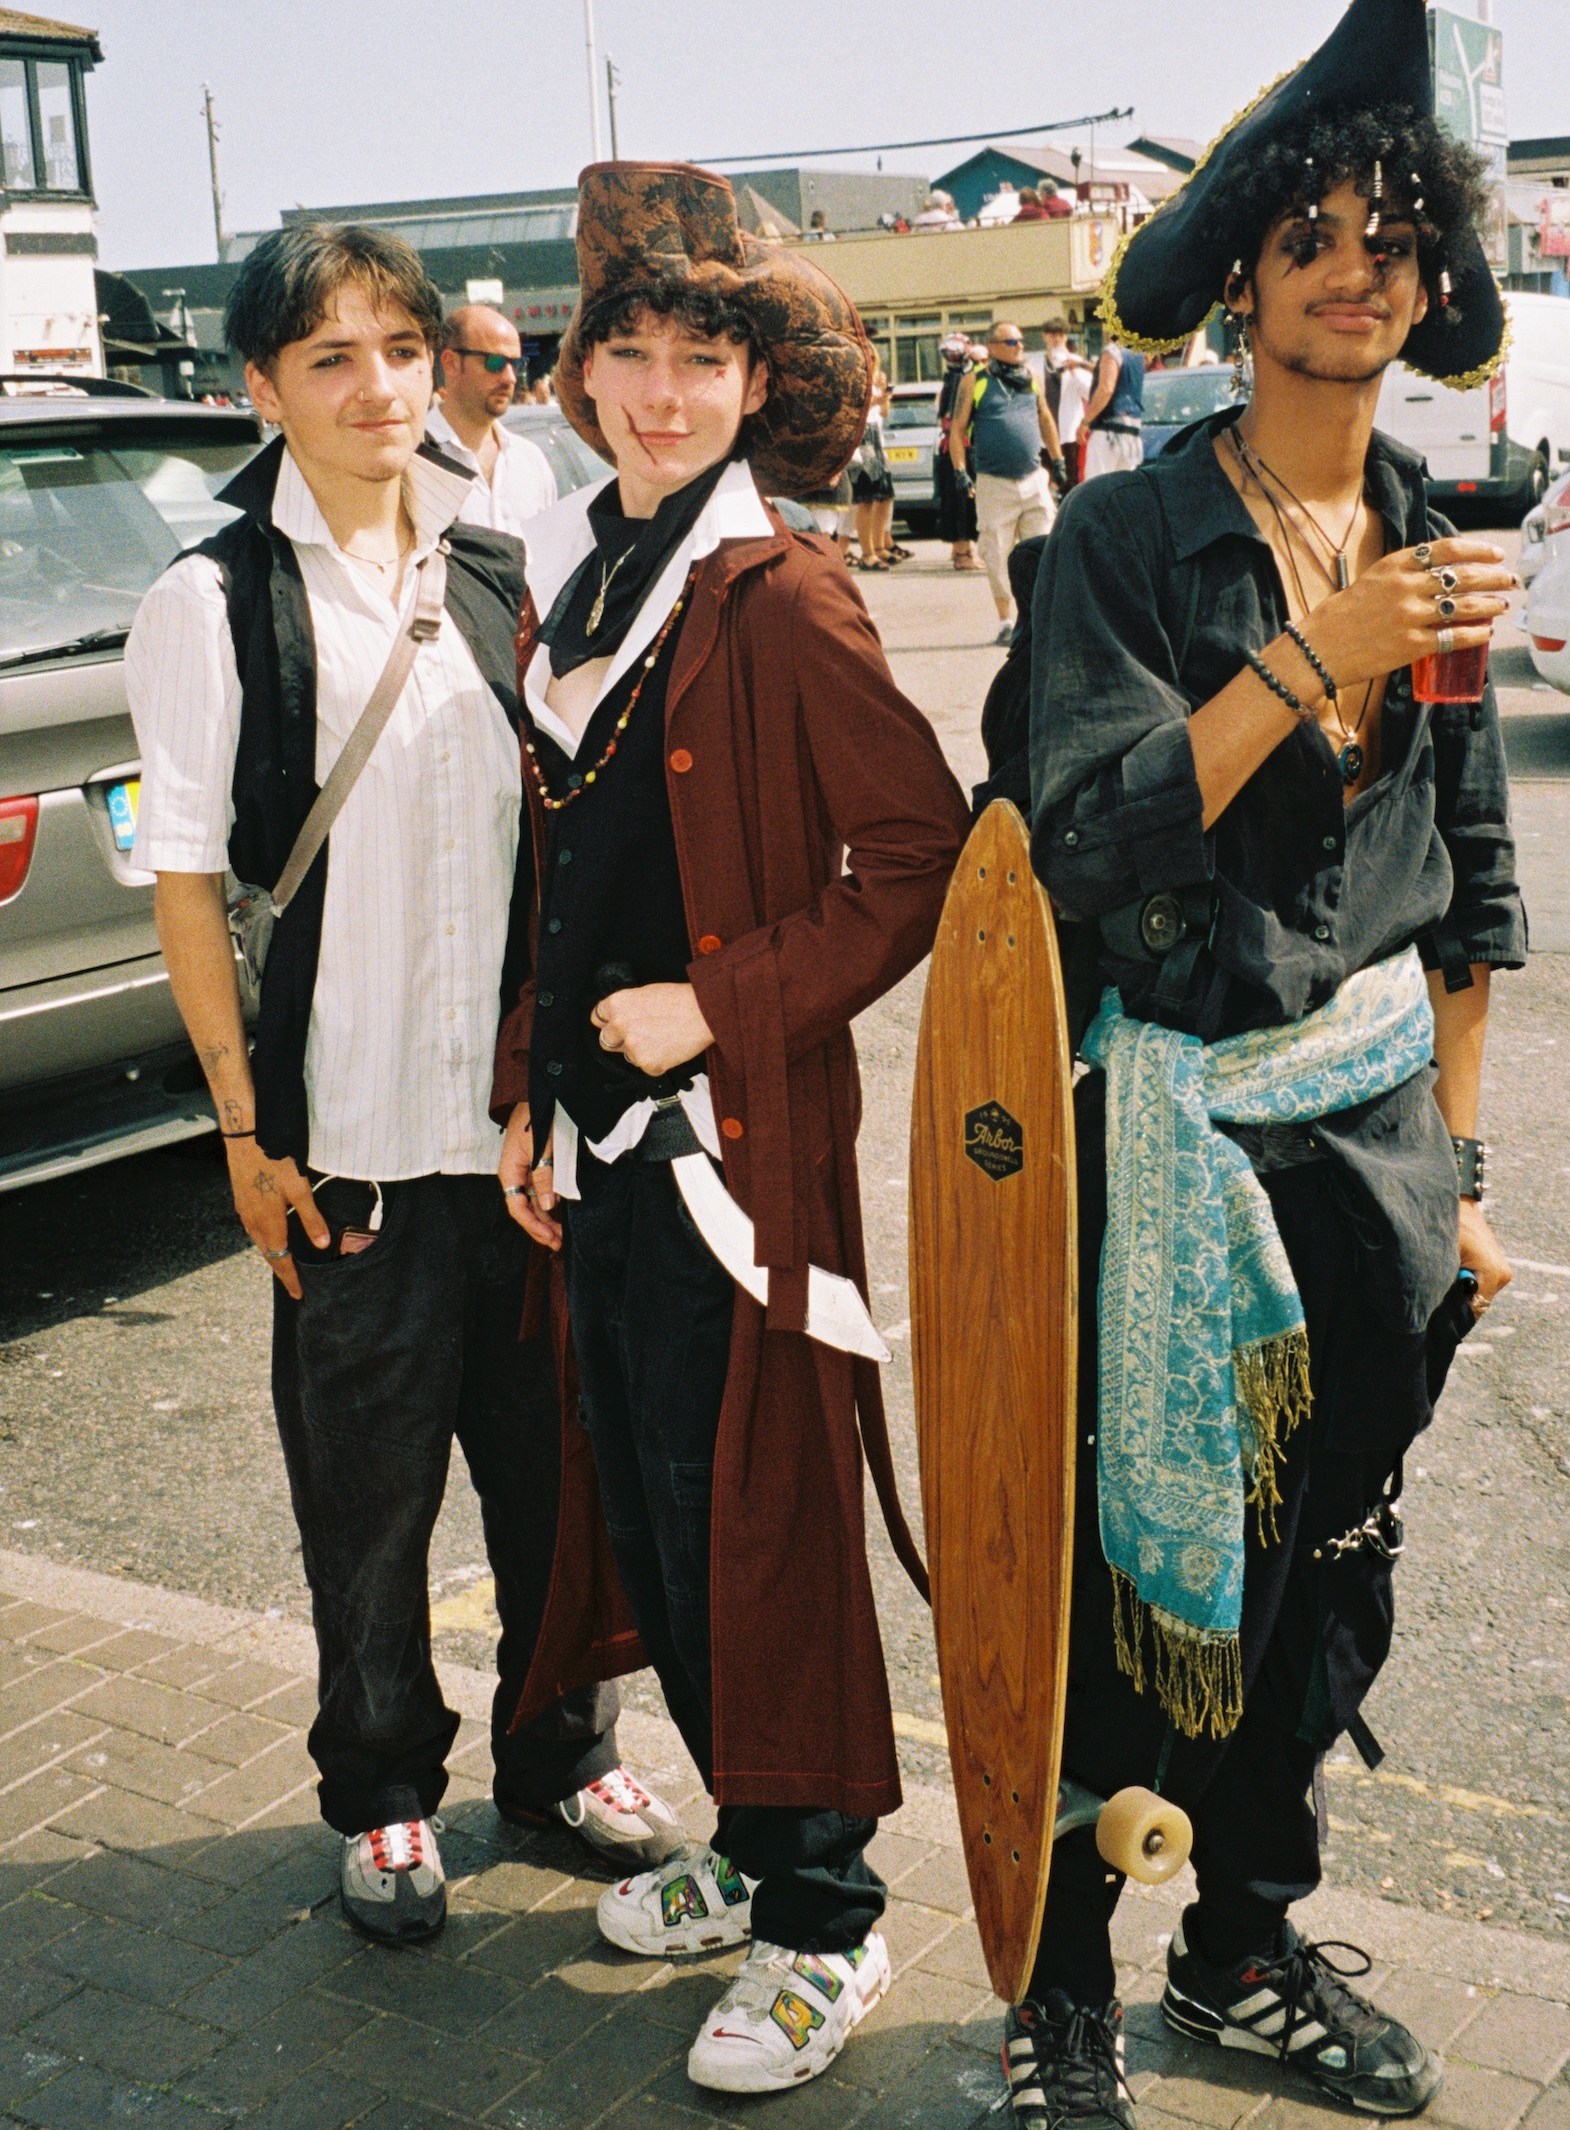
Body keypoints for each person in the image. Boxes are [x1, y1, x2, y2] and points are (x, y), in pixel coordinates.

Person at [992, 0, 1523, 2126]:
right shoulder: (1126, 534)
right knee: (1120, 1588)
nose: (1350, 282)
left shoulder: (1430, 535)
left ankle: (1237, 1944)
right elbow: (1075, 831)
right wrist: (1312, 654)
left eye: (1389, 247)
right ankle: (1056, 1991)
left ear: (1431, 280)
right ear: (1237, 277)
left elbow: (1475, 893)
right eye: (1307, 242)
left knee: (1321, 1584)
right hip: (1170, 1137)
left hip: (1376, 1146)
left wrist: (1461, 1178)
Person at [124, 225, 679, 1951]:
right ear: (261, 388)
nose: (379, 387)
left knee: (557, 1483)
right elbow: (190, 884)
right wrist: (240, 1131)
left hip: (516, 1145)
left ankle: (557, 1751)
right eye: (331, 358)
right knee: (366, 1513)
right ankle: (380, 1791)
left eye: (400, 346)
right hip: (346, 1149)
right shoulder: (213, 600)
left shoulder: (512, 568)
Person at [493, 161, 971, 2096]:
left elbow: (917, 851)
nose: (668, 388)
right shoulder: (587, 560)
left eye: (707, 357)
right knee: (663, 1526)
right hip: (603, 1146)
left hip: (733, 1159)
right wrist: (537, 1081)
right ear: (584, 372)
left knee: (758, 1532)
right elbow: (567, 866)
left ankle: (825, 1919)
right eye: (637, 352)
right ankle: (748, 1858)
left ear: (755, 383)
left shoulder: (780, 587)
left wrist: (725, 1002)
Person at [948, 320, 1067, 644]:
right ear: (994, 347)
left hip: (1033, 479)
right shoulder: (975, 381)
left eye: (1022, 342)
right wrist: (960, 470)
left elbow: (1044, 418)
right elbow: (957, 429)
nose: (1021, 347)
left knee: (1043, 551)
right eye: (1013, 342)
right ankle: (1006, 621)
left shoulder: (1030, 378)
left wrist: (1058, 461)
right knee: (997, 553)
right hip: (994, 482)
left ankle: (1042, 620)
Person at [427, 301, 557, 537]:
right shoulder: (416, 457)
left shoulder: (531, 461)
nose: (510, 378)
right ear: (451, 363)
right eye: (494, 362)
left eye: (516, 364)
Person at [851, 349, 901, 570]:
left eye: (872, 357)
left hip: (876, 438)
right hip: (862, 439)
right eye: (865, 357)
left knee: (885, 496)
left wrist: (884, 395)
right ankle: (867, 552)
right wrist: (876, 399)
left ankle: (879, 547)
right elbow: (854, 410)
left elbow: (884, 412)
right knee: (866, 498)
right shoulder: (853, 379)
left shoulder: (876, 380)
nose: (869, 361)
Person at [935, 331, 979, 568]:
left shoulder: (949, 379)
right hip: (960, 446)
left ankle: (959, 550)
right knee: (962, 501)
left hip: (949, 446)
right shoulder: (963, 379)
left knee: (955, 500)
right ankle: (963, 554)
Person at [1079, 330, 1146, 478]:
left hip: (1108, 431)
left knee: (1096, 488)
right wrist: (1082, 364)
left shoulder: (1112, 351)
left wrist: (1085, 422)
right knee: (1123, 491)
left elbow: (1106, 389)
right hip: (1131, 432)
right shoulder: (1138, 354)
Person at [1039, 316, 1093, 492]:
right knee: (1045, 481)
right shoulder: (1036, 362)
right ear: (1044, 336)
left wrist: (1076, 370)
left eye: (1060, 335)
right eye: (1051, 334)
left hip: (1069, 433)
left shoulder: (1076, 360)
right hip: (1043, 435)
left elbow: (1089, 392)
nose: (1056, 339)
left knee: (1071, 482)